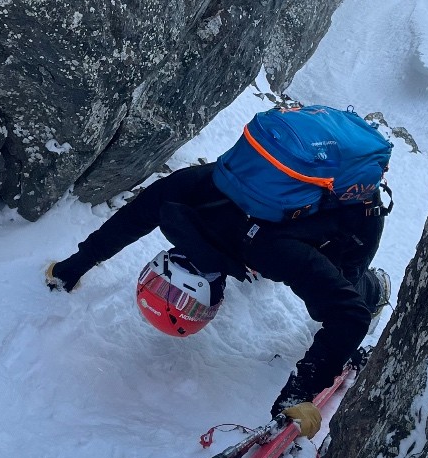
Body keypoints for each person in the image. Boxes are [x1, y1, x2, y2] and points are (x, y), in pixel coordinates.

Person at [46, 159, 390, 439]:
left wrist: (298, 394)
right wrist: (71, 268)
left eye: (192, 305)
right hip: (292, 179)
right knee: (282, 252)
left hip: (357, 213)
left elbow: (350, 315)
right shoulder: (180, 200)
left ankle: (375, 288)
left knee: (344, 285)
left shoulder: (270, 251)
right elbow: (126, 223)